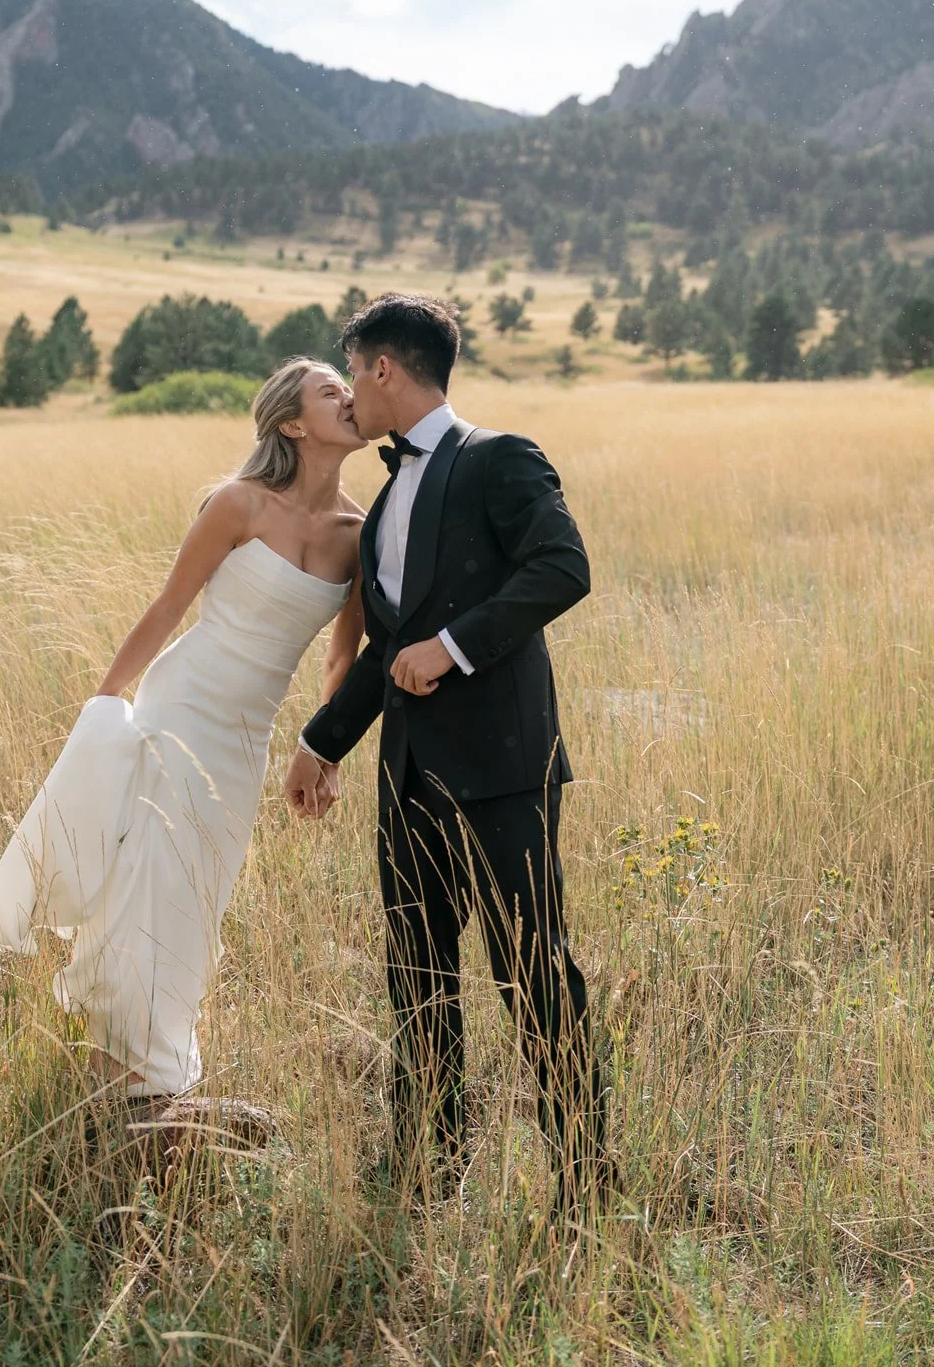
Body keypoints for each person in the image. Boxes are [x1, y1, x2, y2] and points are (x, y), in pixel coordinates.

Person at [285, 293, 612, 1210]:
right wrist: (322, 741)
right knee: (417, 978)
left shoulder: (498, 457)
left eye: (354, 371)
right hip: (406, 780)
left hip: (503, 773)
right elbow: (390, 649)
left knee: (531, 970)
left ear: (384, 367)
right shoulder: (388, 497)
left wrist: (456, 644)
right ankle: (430, 1169)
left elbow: (563, 566)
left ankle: (586, 1180)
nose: (351, 389)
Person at [0, 358, 367, 1099]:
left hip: (247, 734)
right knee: (151, 875)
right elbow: (167, 607)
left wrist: (328, 753)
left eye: (349, 390)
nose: (348, 397)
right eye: (329, 392)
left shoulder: (359, 533)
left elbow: (343, 654)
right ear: (290, 422)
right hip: (180, 704)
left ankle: (139, 1047)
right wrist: (102, 706)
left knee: (198, 890)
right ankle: (132, 1069)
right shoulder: (238, 503)